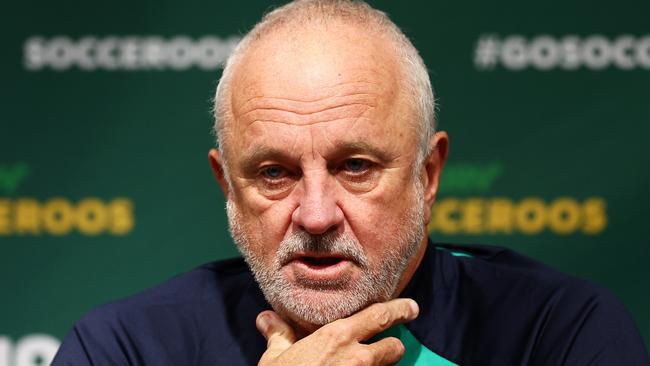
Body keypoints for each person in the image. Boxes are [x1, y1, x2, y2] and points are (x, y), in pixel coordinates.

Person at [52, 1, 649, 365]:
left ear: (428, 174)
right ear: (226, 186)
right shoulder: (126, 349)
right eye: (274, 174)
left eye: (355, 167)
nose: (315, 216)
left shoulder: (557, 334)